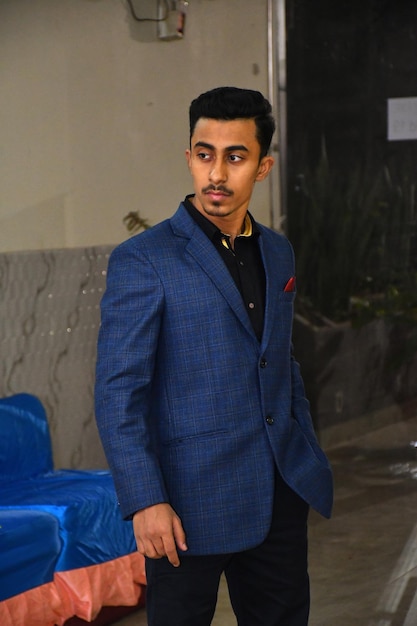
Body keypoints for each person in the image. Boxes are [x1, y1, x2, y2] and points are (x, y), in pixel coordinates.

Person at [95, 86, 333, 626]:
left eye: (235, 156)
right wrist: (145, 500)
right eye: (205, 155)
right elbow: (117, 391)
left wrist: (303, 448)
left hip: (279, 494)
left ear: (263, 166)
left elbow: (279, 358)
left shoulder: (277, 251)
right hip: (184, 507)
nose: (217, 174)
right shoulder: (144, 260)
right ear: (189, 158)